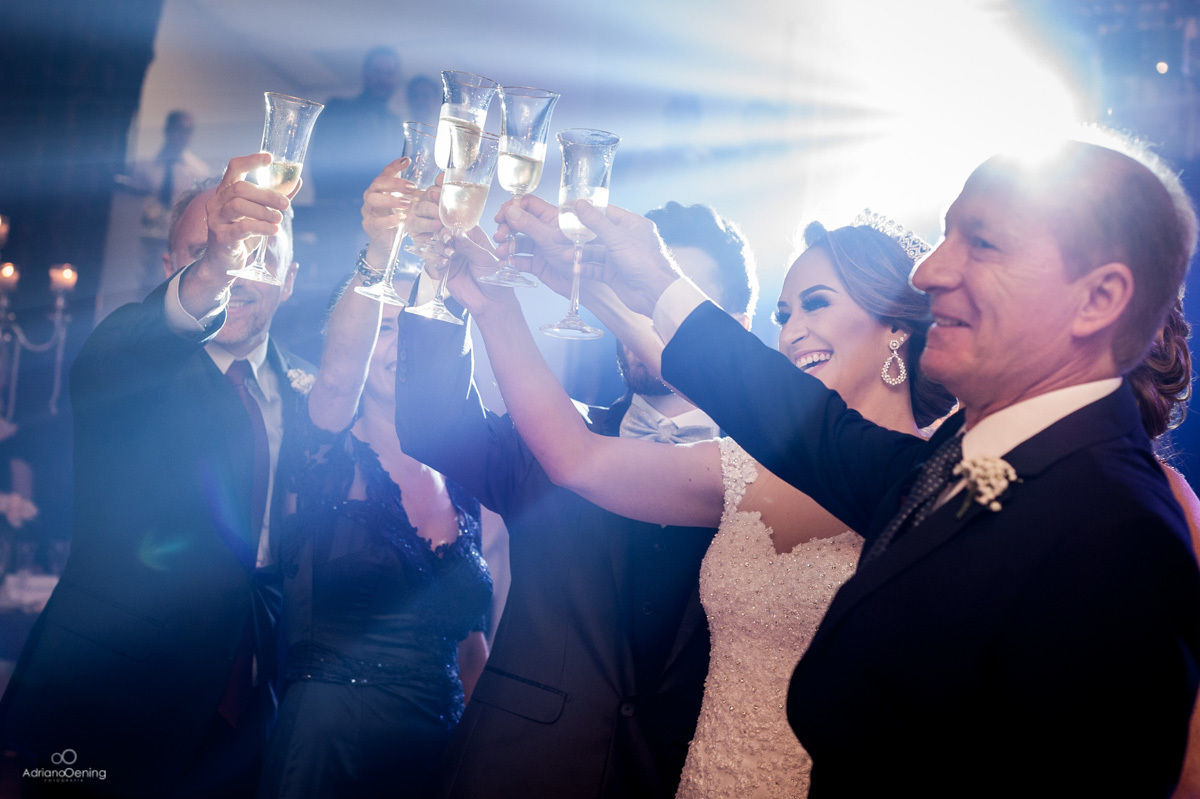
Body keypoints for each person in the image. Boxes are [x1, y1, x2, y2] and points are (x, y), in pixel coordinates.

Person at [566, 133, 1200, 796]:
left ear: (1098, 299)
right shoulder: (956, 456)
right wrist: (652, 282)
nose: (926, 274)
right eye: (945, 235)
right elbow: (796, 420)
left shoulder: (1119, 531)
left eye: (980, 243)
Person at [439, 203, 956, 797]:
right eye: (784, 314)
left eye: (816, 304)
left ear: (897, 324)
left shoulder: (936, 483)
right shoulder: (744, 469)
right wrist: (497, 307)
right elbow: (577, 458)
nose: (790, 332)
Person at [396, 194, 757, 798]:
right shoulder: (558, 431)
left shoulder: (771, 481)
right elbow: (432, 421)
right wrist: (441, 285)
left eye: (660, 300)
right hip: (513, 773)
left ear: (734, 329)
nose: (640, 314)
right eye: (630, 295)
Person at [0, 152, 307, 797]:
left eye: (258, 258)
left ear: (290, 279)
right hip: (106, 711)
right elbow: (127, 347)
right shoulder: (130, 363)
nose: (237, 273)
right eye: (211, 252)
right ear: (171, 269)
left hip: (250, 720)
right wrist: (213, 272)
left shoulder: (313, 397)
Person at [258, 160, 491, 799]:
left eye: (416, 327)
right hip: (333, 747)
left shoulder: (463, 474)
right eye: (390, 326)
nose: (405, 344)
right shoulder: (325, 444)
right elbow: (336, 376)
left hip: (436, 757)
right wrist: (383, 251)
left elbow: (471, 650)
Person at [309, 47, 405, 206]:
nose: (382, 79)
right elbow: (320, 161)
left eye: (389, 73)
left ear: (397, 79)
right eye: (377, 72)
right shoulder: (338, 109)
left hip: (380, 212)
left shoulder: (396, 123)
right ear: (365, 74)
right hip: (335, 211)